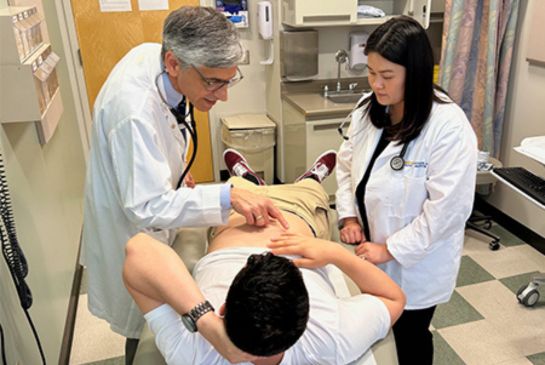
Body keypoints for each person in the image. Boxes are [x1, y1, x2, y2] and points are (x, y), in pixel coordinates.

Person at [81, 6, 287, 362]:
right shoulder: (132, 111)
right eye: (213, 82)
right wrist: (228, 193)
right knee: (144, 324)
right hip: (132, 228)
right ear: (174, 64)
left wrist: (171, 169)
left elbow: (157, 145)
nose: (223, 96)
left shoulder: (155, 58)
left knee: (159, 315)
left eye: (229, 79)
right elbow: (146, 205)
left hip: (152, 214)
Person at [123, 149, 406, 364]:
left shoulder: (196, 350)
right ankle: (310, 179)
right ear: (307, 317)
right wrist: (332, 252)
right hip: (296, 216)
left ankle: (247, 177)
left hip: (237, 218)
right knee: (310, 192)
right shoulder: (332, 337)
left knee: (239, 189)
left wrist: (206, 323)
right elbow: (394, 298)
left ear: (221, 308)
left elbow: (139, 249)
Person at [335, 16, 478, 365]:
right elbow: (346, 166)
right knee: (379, 329)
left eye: (387, 76)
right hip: (368, 250)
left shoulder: (448, 127)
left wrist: (391, 249)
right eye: (370, 72)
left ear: (414, 72)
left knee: (410, 334)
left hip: (416, 263)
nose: (376, 84)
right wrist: (348, 215)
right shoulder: (368, 109)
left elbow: (448, 211)